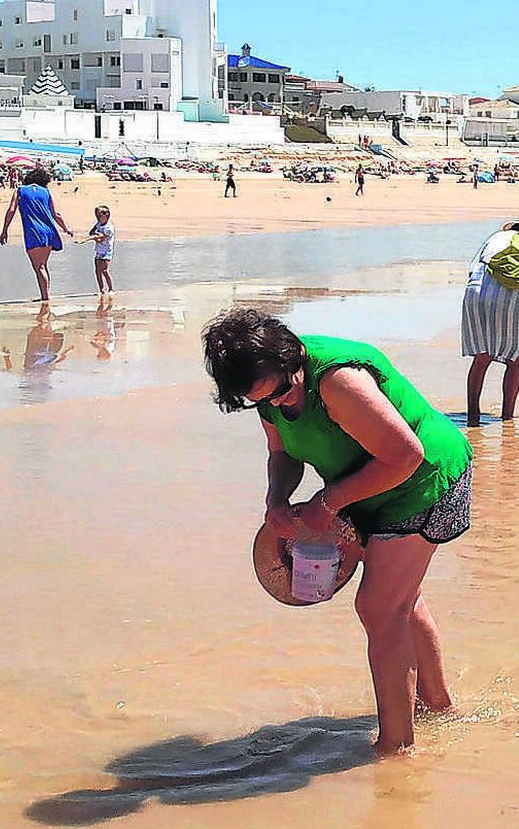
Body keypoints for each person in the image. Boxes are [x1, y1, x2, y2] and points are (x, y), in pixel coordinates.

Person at [202, 308, 472, 754]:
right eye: (261, 401)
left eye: (283, 393)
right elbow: (283, 454)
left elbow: (406, 455)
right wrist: (276, 502)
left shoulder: (338, 380)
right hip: (362, 487)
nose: (279, 405)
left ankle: (396, 750)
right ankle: (438, 705)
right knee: (398, 597)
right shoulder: (266, 386)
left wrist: (328, 503)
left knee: (378, 606)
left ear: (291, 360)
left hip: (425, 479)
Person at [461, 212, 519, 427]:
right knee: (516, 360)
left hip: (474, 292)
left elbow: (474, 269)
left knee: (482, 358)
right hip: (507, 299)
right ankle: (507, 420)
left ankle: (473, 418)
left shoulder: (495, 239)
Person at [1, 167, 75, 301]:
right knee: (43, 266)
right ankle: (45, 296)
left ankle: (45, 299)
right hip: (49, 231)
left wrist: (5, 230)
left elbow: (11, 210)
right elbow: (56, 214)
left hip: (33, 232)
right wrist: (66, 228)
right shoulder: (46, 192)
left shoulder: (20, 190)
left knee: (39, 267)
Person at [87, 203, 115, 295]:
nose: (98, 218)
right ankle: (102, 289)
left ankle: (111, 288)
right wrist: (93, 235)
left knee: (104, 270)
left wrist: (96, 237)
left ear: (106, 216)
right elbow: (91, 232)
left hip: (106, 251)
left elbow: (102, 238)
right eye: (97, 216)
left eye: (100, 216)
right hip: (99, 251)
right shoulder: (98, 224)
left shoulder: (109, 228)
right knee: (97, 271)